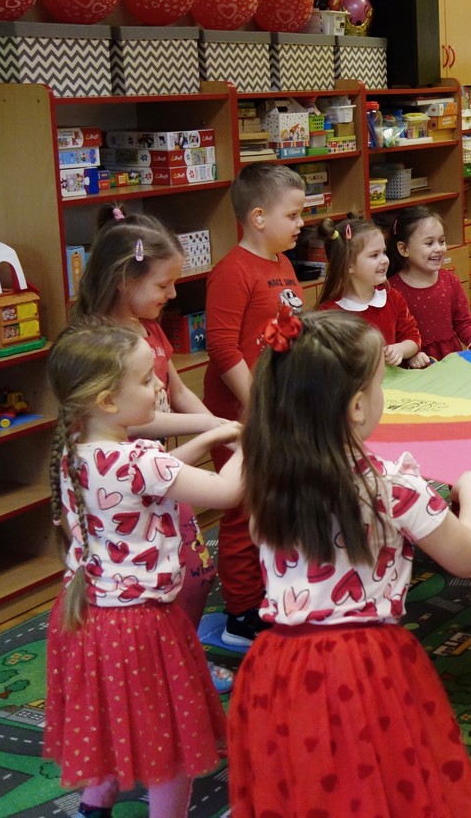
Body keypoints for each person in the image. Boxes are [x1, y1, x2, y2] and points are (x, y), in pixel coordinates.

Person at [227, 309, 471, 817]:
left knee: (306, 787)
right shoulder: (392, 487)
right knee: (379, 782)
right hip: (364, 669)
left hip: (278, 666)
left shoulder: (266, 481)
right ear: (355, 406)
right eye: (379, 387)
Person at [41, 324, 245, 818]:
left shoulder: (76, 449)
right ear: (108, 400)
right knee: (168, 740)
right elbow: (226, 493)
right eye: (147, 379)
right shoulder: (138, 463)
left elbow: (152, 476)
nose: (159, 386)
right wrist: (246, 450)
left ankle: (94, 807)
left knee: (107, 715)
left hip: (84, 617)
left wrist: (211, 435)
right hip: (139, 625)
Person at [71, 209, 235, 691]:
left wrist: (221, 428)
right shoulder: (103, 347)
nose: (173, 294)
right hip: (127, 485)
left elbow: (176, 390)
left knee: (193, 573)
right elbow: (142, 420)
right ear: (125, 279)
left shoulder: (150, 327)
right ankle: (162, 666)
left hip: (162, 473)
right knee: (158, 578)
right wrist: (214, 427)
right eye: (164, 284)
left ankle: (178, 656)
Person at [202, 163, 306, 649]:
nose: (302, 223)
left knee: (276, 503)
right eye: (294, 214)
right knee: (243, 510)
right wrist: (258, 405)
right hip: (240, 414)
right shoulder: (232, 271)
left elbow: (290, 332)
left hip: (278, 408)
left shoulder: (283, 264)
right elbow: (223, 348)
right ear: (259, 217)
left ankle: (272, 589)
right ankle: (241, 614)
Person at [387, 206, 471, 362]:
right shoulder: (392, 290)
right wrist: (409, 355)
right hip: (416, 367)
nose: (439, 249)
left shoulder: (450, 281)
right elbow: (391, 336)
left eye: (442, 241)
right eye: (429, 243)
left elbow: (463, 322)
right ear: (403, 249)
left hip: (450, 362)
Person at [316, 214, 423, 367]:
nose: (385, 260)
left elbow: (413, 337)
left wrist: (401, 349)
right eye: (374, 255)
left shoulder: (392, 298)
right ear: (348, 265)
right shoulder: (329, 314)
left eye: (384, 252)